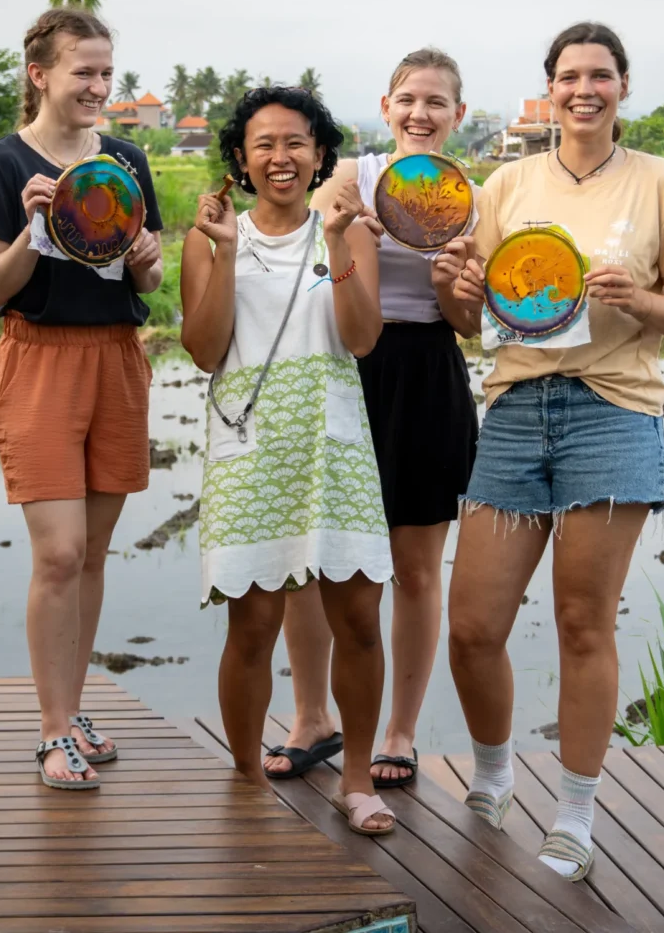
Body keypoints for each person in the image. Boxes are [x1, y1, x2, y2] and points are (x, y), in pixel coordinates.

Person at [443, 21, 664, 879]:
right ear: (548, 90)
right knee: (473, 626)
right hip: (517, 408)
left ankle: (577, 817)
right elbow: (471, 320)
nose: (584, 89)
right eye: (569, 76)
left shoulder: (660, 181)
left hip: (614, 410)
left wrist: (637, 296)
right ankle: (492, 775)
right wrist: (456, 289)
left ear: (623, 87)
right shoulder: (507, 184)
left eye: (600, 75)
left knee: (581, 622)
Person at [180, 86, 397, 836]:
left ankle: (359, 780)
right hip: (250, 447)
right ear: (240, 158)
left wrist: (338, 246)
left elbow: (361, 336)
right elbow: (206, 349)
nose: (281, 157)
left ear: (320, 154)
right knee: (253, 623)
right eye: (264, 144)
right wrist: (228, 252)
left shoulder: (351, 233)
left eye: (296, 142)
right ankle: (244, 778)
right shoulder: (211, 236)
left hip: (333, 442)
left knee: (361, 618)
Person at [263, 49, 481, 790]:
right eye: (408, 99)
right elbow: (307, 266)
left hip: (426, 371)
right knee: (315, 557)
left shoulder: (469, 198)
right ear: (386, 107)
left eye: (437, 102)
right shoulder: (350, 178)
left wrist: (454, 274)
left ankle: (399, 731)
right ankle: (310, 716)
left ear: (459, 115)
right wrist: (351, 235)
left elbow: (468, 323)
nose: (421, 113)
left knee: (416, 569)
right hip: (342, 366)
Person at [0, 8, 164, 789]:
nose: (98, 86)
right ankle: (53, 733)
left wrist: (149, 257)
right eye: (84, 71)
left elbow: (145, 277)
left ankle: (73, 708)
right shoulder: (3, 164)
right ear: (39, 73)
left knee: (92, 557)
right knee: (58, 553)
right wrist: (32, 232)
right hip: (40, 360)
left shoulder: (126, 159)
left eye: (107, 72)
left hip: (116, 357)